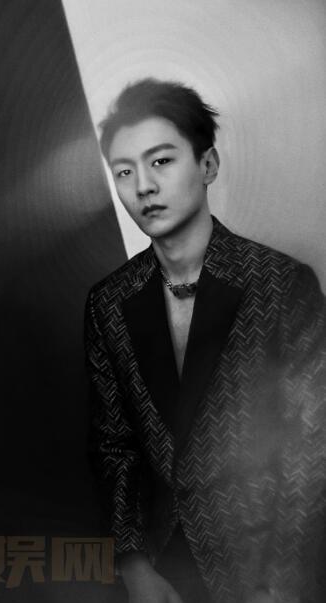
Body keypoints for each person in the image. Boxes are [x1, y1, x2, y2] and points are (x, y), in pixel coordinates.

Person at [84, 78, 326, 603]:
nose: (143, 186)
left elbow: (311, 449)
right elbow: (115, 446)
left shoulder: (283, 284)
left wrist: (279, 588)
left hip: (262, 563)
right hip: (164, 567)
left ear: (208, 165)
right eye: (124, 171)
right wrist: (133, 566)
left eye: (161, 161)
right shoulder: (108, 302)